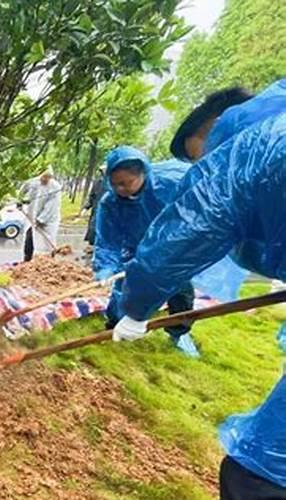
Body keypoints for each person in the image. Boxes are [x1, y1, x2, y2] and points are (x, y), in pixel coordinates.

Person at [111, 79, 286, 498]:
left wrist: (135, 309)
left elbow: (181, 237)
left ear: (217, 126)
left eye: (202, 156)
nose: (204, 167)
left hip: (158, 263)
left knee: (257, 475)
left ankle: (179, 333)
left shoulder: (255, 144)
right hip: (143, 258)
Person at [93, 146, 198, 357]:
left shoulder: (170, 185)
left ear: (143, 174)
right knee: (124, 288)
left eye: (127, 183)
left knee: (181, 291)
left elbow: (192, 216)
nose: (121, 189)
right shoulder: (110, 203)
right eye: (115, 184)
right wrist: (105, 269)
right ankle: (114, 324)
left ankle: (179, 332)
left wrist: (175, 247)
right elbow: (108, 242)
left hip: (173, 248)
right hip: (136, 250)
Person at [21, 167, 61, 261]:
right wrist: (20, 201)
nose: (45, 179)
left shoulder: (55, 187)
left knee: (45, 244)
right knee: (29, 239)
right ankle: (27, 260)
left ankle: (46, 262)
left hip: (48, 221)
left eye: (48, 177)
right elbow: (23, 191)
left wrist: (41, 219)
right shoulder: (33, 182)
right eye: (43, 177)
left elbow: (52, 206)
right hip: (32, 217)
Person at [81, 166, 106, 246]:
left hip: (108, 213)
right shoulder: (97, 182)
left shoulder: (114, 183)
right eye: (102, 171)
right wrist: (86, 207)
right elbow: (92, 196)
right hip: (96, 210)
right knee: (93, 229)